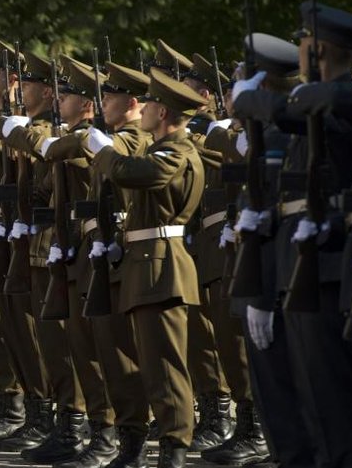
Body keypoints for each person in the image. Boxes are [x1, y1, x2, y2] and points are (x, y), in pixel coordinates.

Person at [87, 69, 208, 468]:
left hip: (164, 266)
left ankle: (174, 449)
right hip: (146, 264)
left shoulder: (177, 150)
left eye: (153, 104)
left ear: (163, 111)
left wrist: (103, 151)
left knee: (165, 367)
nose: (147, 110)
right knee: (148, 363)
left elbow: (136, 174)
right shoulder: (160, 148)